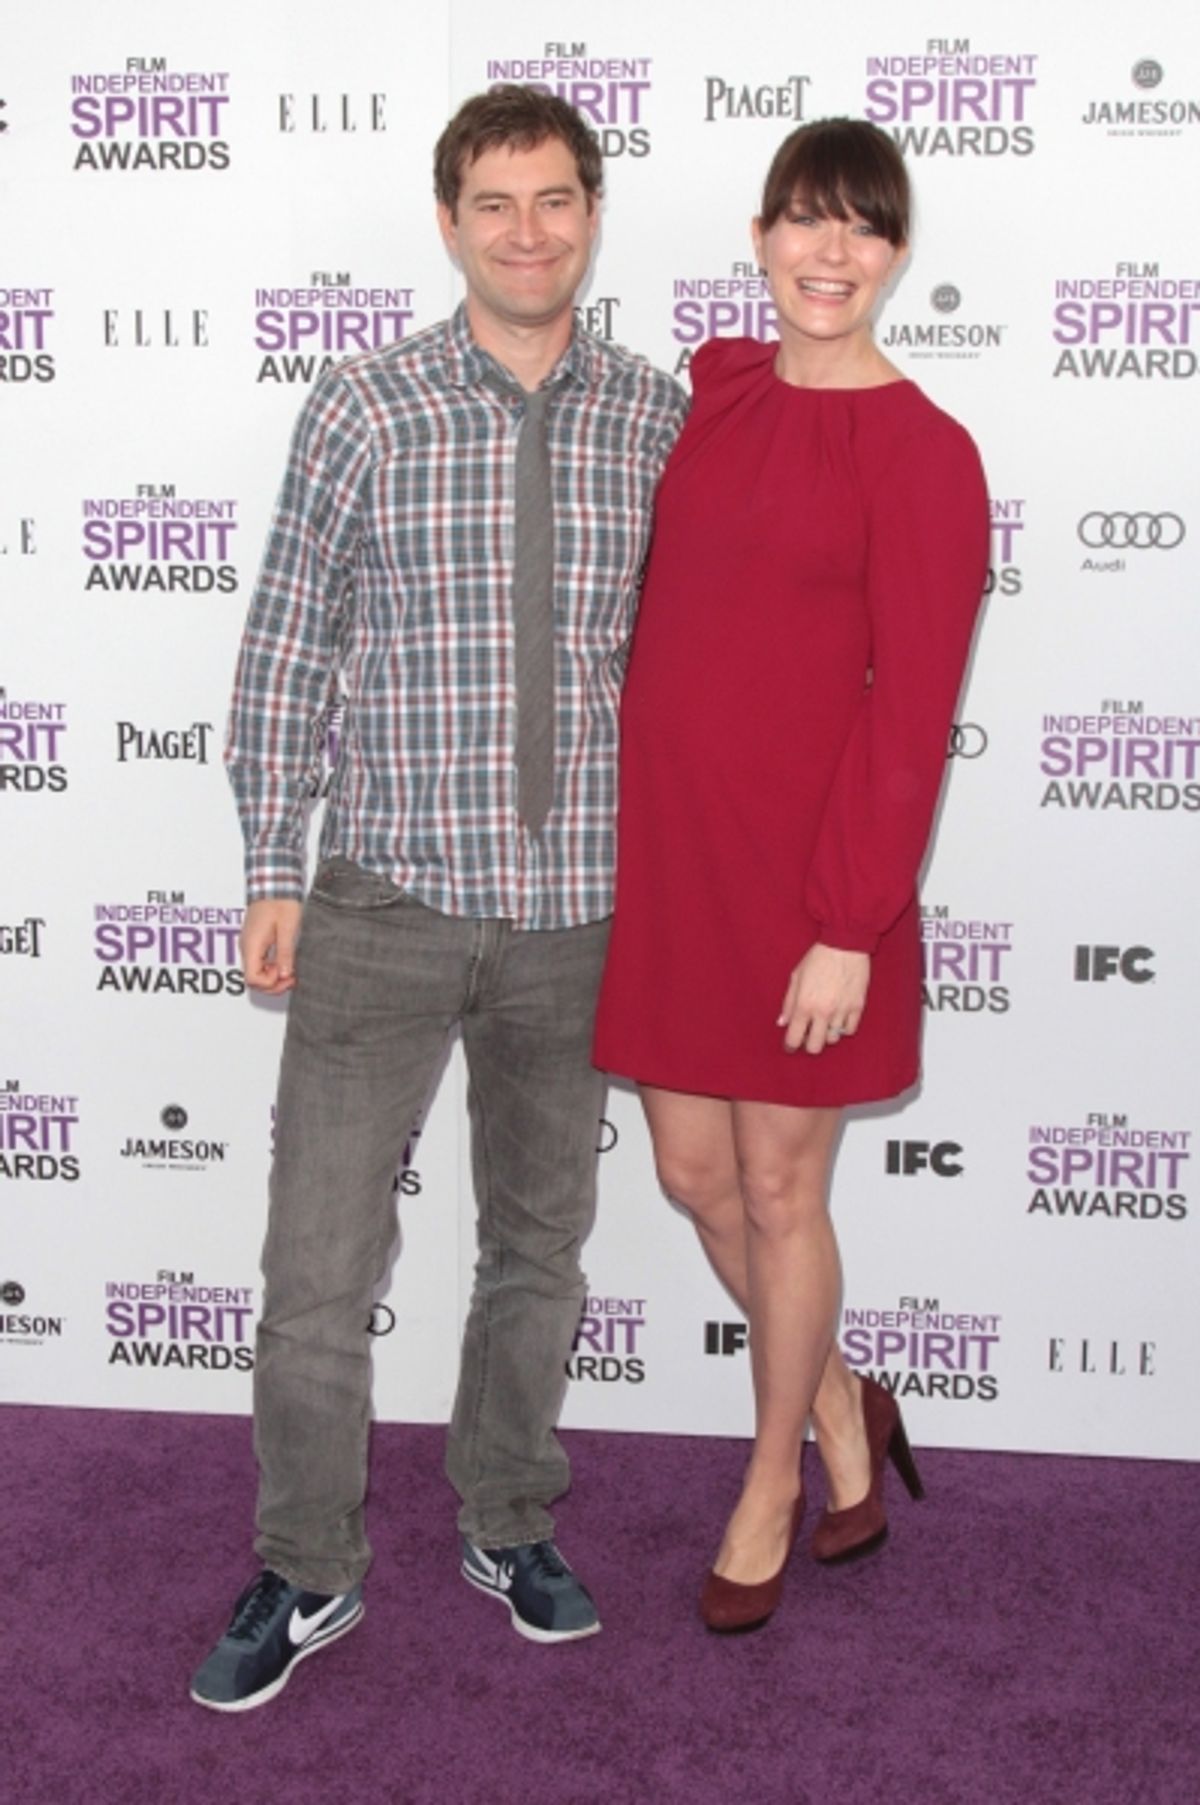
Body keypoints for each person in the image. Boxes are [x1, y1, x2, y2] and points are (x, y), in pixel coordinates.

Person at [191, 85, 686, 1711]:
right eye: (495, 203)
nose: (526, 232)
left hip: (580, 912)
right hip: (386, 899)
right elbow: (285, 641)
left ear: (592, 214)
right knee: (318, 1270)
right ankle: (306, 1563)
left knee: (539, 1250)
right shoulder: (363, 404)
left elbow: (699, 663)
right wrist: (272, 865)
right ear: (449, 220)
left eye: (555, 200)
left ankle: (509, 1516)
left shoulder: (659, 415)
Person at [592, 117, 989, 1632]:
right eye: (805, 221)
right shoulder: (719, 390)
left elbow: (913, 709)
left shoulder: (927, 454)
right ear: (760, 239)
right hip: (678, 860)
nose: (832, 252)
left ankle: (773, 1478)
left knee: (779, 1185)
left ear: (897, 255)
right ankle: (841, 1401)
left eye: (863, 226)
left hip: (814, 884)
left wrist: (849, 924)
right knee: (695, 1175)